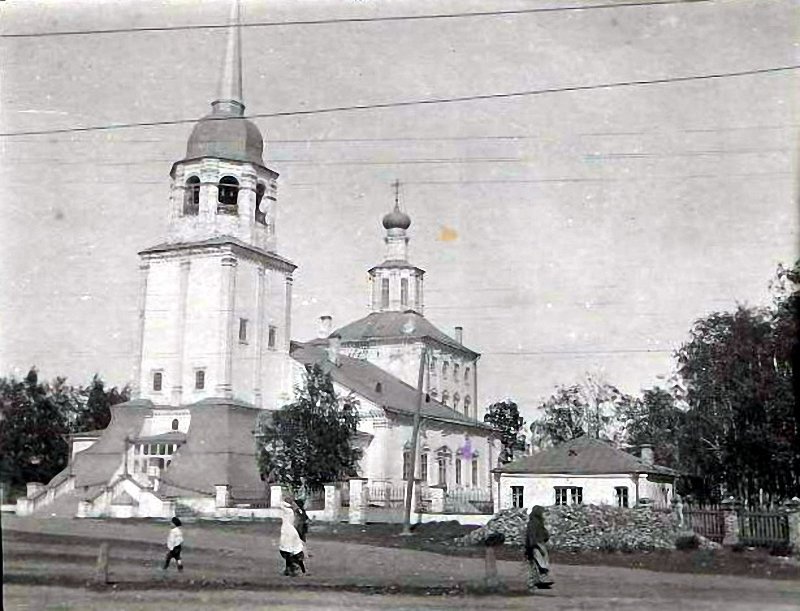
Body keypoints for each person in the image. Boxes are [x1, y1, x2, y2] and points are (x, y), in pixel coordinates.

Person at [524, 506, 553, 592]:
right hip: (535, 546)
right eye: (543, 513)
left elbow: (544, 534)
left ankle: (538, 582)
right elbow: (531, 536)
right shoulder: (533, 523)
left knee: (538, 565)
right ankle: (532, 584)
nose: (544, 515)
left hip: (539, 545)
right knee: (535, 566)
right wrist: (533, 546)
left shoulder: (539, 523)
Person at [279, 494, 304, 576]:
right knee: (293, 549)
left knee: (288, 550)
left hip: (287, 531)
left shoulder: (287, 509)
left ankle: (292, 569)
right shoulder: (290, 510)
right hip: (290, 531)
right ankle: (297, 569)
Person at [293, 498, 310, 574]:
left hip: (299, 531)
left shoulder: (299, 511)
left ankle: (301, 569)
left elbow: (304, 519)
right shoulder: (300, 511)